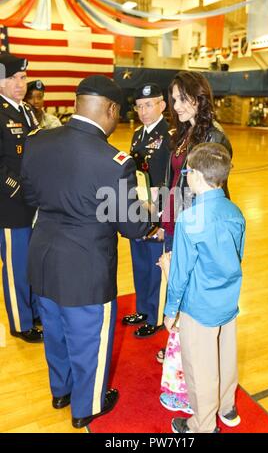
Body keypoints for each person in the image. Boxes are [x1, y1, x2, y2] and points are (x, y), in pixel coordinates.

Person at [21, 75, 150, 429]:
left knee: (56, 331)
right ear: (110, 109)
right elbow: (131, 225)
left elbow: (31, 197)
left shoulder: (38, 141)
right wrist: (150, 214)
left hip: (43, 254)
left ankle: (60, 391)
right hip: (85, 266)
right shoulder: (113, 161)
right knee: (88, 338)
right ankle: (87, 406)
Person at [160, 142, 245, 434]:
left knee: (200, 368)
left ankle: (202, 424)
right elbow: (238, 256)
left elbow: (181, 273)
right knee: (226, 358)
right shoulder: (235, 212)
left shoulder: (189, 219)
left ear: (196, 176)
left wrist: (170, 311)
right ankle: (227, 408)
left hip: (199, 305)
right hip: (228, 301)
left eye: (187, 172)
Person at [156, 71, 233, 367]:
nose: (176, 106)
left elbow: (213, 189)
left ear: (199, 97)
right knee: (177, 282)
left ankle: (193, 351)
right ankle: (179, 344)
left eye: (183, 98)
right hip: (178, 219)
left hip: (196, 225)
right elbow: (175, 179)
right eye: (173, 99)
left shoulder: (214, 136)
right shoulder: (183, 133)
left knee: (190, 285)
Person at [0, 53, 43, 343]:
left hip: (33, 201)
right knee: (15, 266)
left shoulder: (27, 111)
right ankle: (20, 320)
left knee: (31, 261)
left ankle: (35, 311)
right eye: (13, 77)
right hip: (10, 202)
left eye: (23, 77)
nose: (20, 83)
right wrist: (16, 188)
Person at [122, 83, 171, 338]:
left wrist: (164, 216)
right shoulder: (137, 135)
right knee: (140, 263)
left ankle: (157, 315)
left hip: (159, 211)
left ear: (162, 105)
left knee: (155, 265)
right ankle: (143, 309)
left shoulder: (171, 134)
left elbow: (172, 179)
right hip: (139, 210)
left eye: (148, 104)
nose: (143, 111)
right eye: (139, 106)